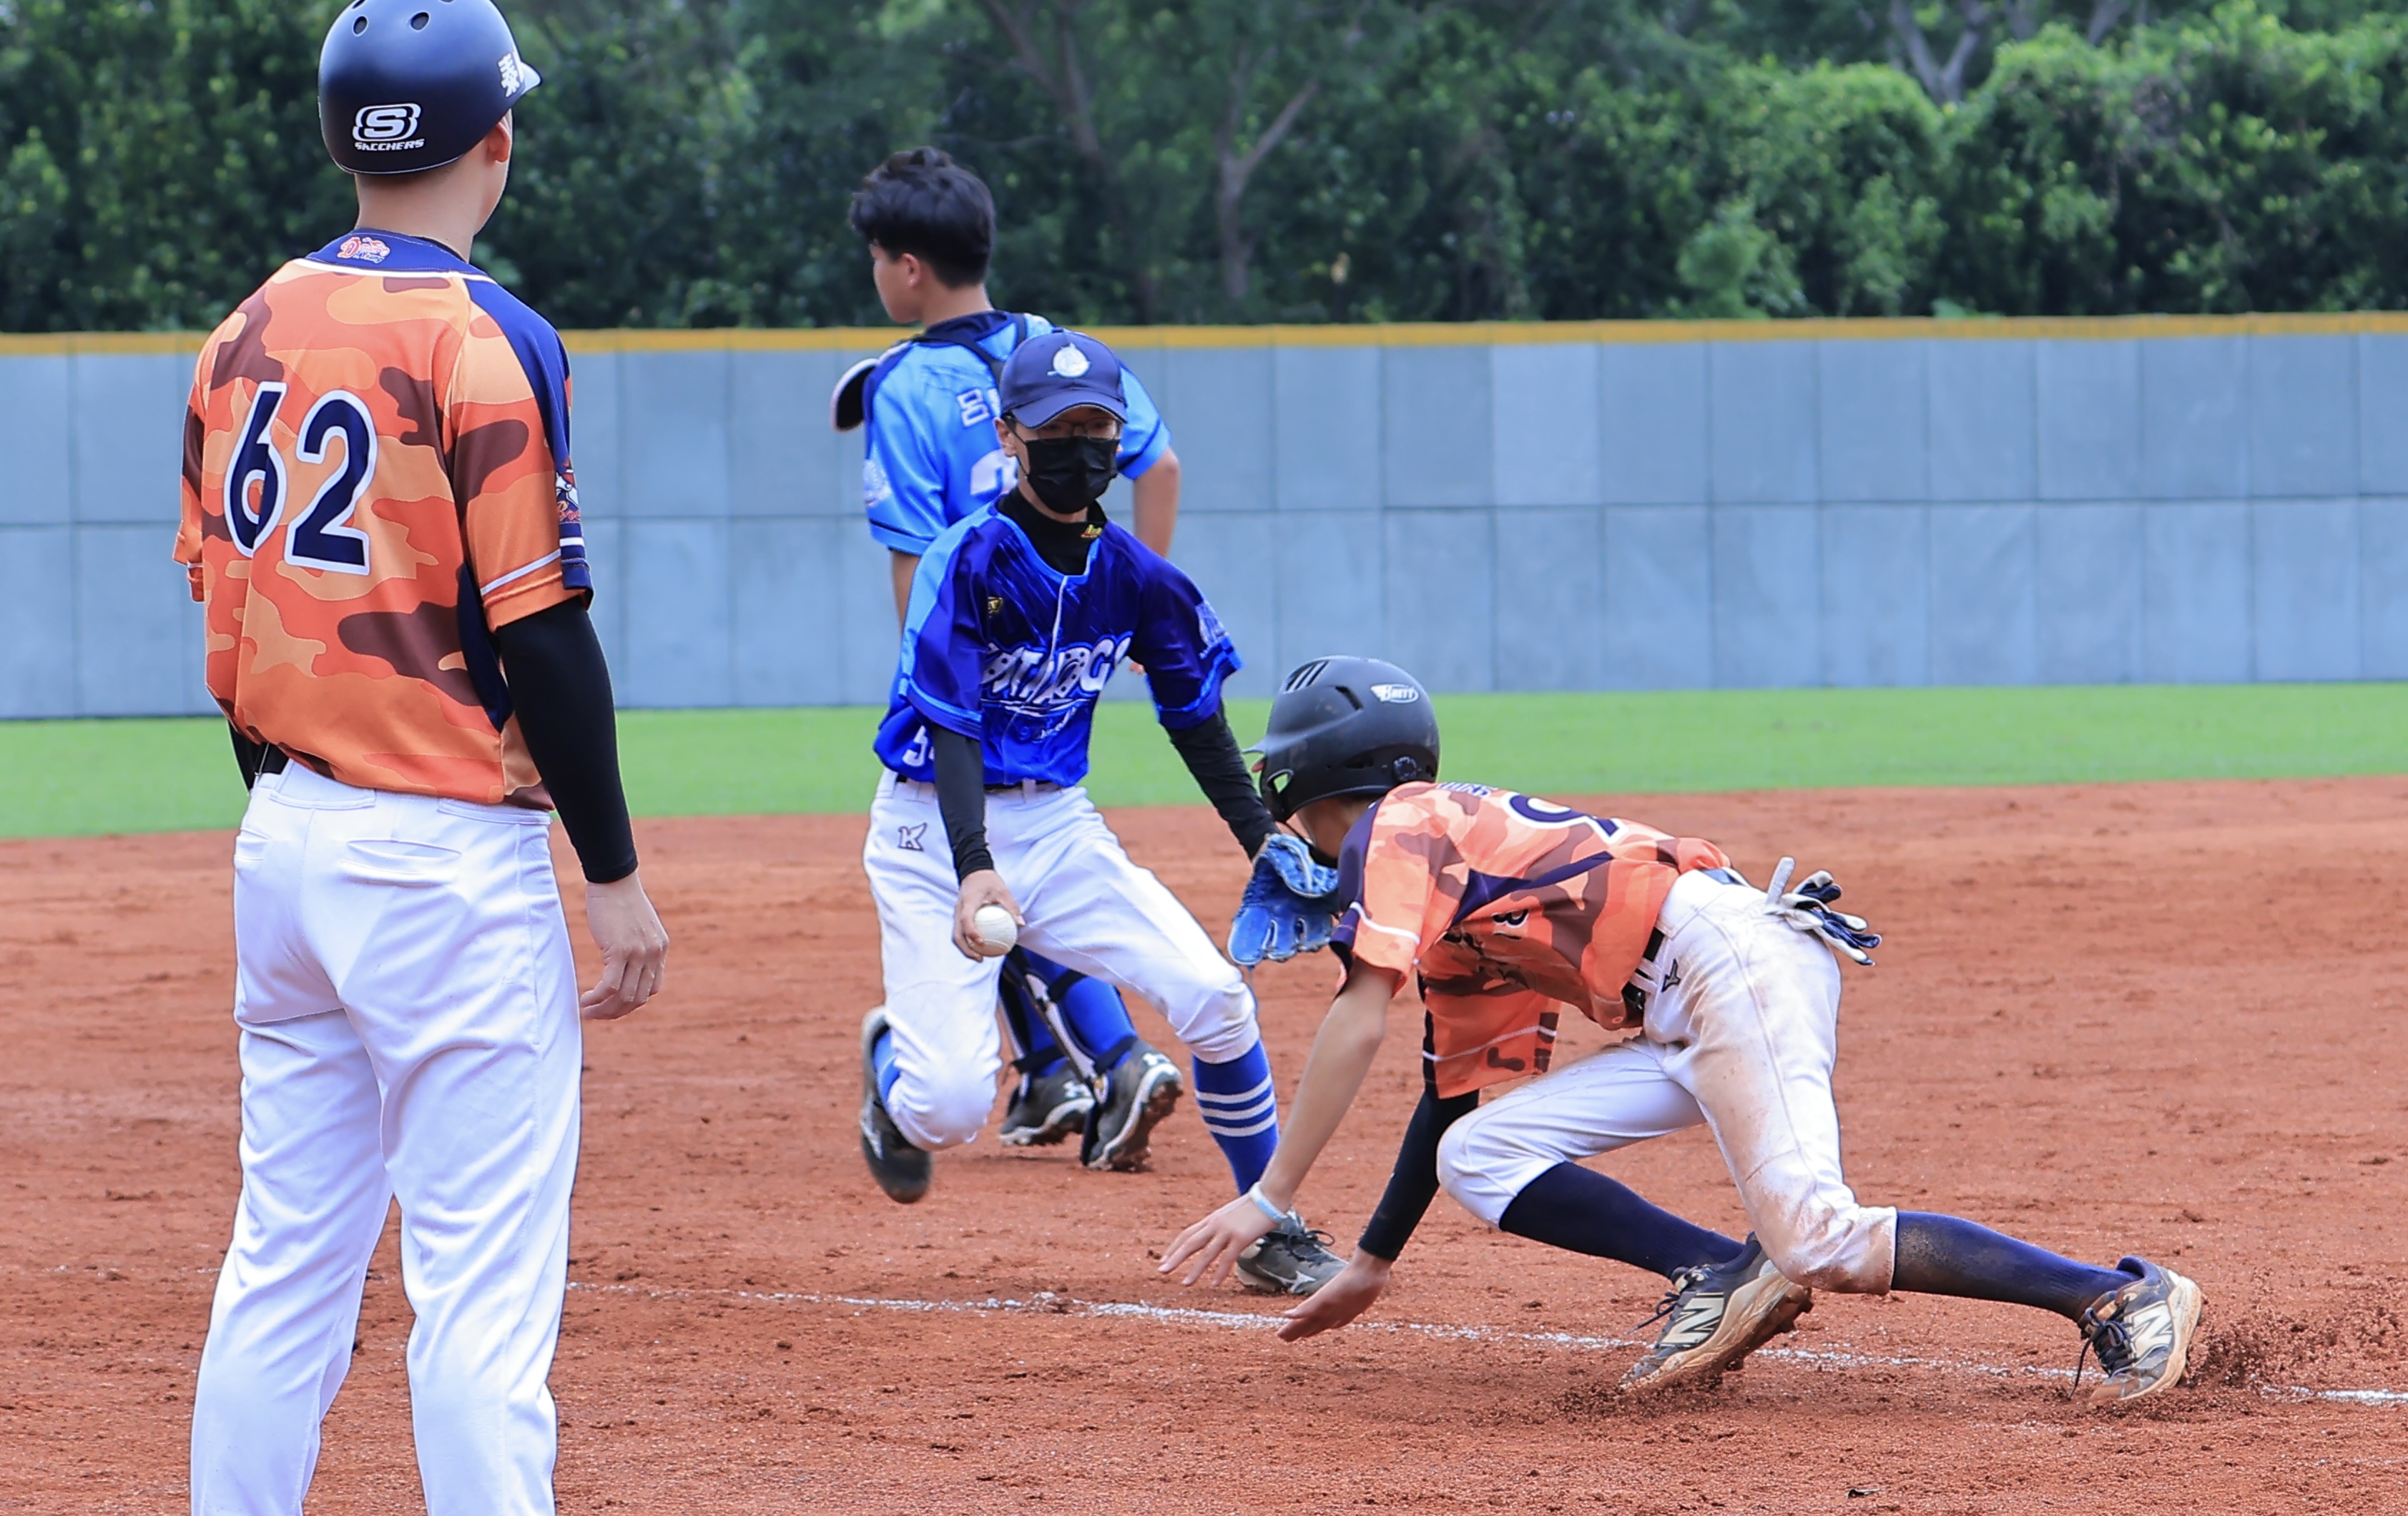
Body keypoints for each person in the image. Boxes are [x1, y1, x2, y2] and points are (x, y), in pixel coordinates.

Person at [1161, 656, 2203, 1403]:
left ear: (1301, 780)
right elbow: (1447, 1097)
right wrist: (1376, 1260)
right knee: (1481, 1145)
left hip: (1729, 962)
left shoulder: (1406, 823)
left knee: (1821, 1239)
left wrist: (1273, 1193)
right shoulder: (1457, 898)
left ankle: (2117, 1300)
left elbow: (1358, 1007)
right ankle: (1722, 1271)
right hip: (1681, 1002)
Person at [175, 0, 669, 1514]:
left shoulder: (243, 326)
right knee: (480, 1297)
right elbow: (540, 626)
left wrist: (290, 795)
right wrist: (615, 873)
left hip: (285, 843)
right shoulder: (486, 335)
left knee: (284, 1264)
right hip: (444, 864)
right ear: (497, 144)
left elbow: (222, 597)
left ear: (345, 145)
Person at [855, 325, 1341, 1296]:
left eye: (1098, 428)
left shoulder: (1136, 576)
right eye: (1055, 428)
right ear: (1007, 434)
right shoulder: (968, 560)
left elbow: (1196, 718)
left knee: (1215, 997)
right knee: (950, 1107)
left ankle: (1269, 1222)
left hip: (1057, 822)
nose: (1079, 449)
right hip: (929, 829)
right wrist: (970, 861)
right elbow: (952, 723)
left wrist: (1264, 842)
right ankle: (888, 1070)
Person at [835, 147, 1183, 1165]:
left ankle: (1083, 1063)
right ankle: (1067, 1069)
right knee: (1017, 851)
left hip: (975, 670)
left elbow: (917, 564)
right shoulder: (1057, 349)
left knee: (987, 853)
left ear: (905, 269)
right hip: (1065, 655)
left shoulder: (905, 384)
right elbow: (1160, 464)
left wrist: (930, 677)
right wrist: (1130, 599)